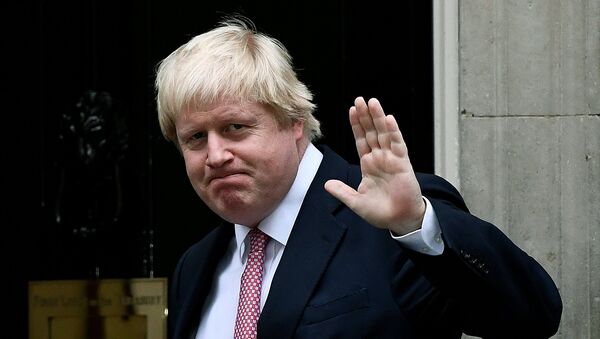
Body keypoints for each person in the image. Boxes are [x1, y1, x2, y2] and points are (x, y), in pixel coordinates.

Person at [154, 16, 562, 339]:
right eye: (195, 138)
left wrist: (416, 225)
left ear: (294, 122)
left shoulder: (396, 225)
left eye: (235, 128)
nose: (216, 155)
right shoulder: (196, 266)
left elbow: (531, 319)